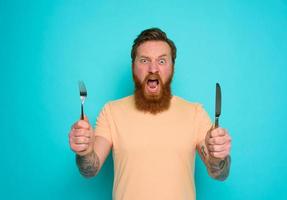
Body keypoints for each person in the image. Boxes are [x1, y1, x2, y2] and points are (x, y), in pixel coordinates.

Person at [68, 28, 232, 200]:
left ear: (172, 67)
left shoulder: (195, 113)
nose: (153, 68)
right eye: (144, 60)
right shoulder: (112, 112)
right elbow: (90, 169)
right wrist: (84, 151)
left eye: (162, 61)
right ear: (133, 66)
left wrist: (218, 157)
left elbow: (219, 173)